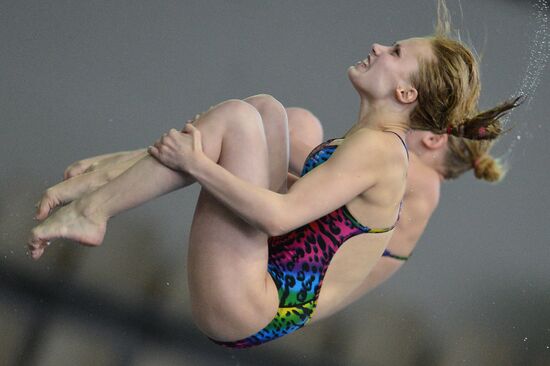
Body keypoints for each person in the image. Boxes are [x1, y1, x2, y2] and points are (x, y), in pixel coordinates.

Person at [28, 0, 521, 348]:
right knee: (267, 112)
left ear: (409, 97)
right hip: (264, 287)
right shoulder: (368, 144)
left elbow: (281, 218)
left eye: (394, 52)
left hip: (253, 306)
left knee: (243, 122)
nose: (377, 46)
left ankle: (95, 207)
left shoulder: (388, 157)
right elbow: (310, 221)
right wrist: (175, 161)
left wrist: (195, 164)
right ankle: (105, 184)